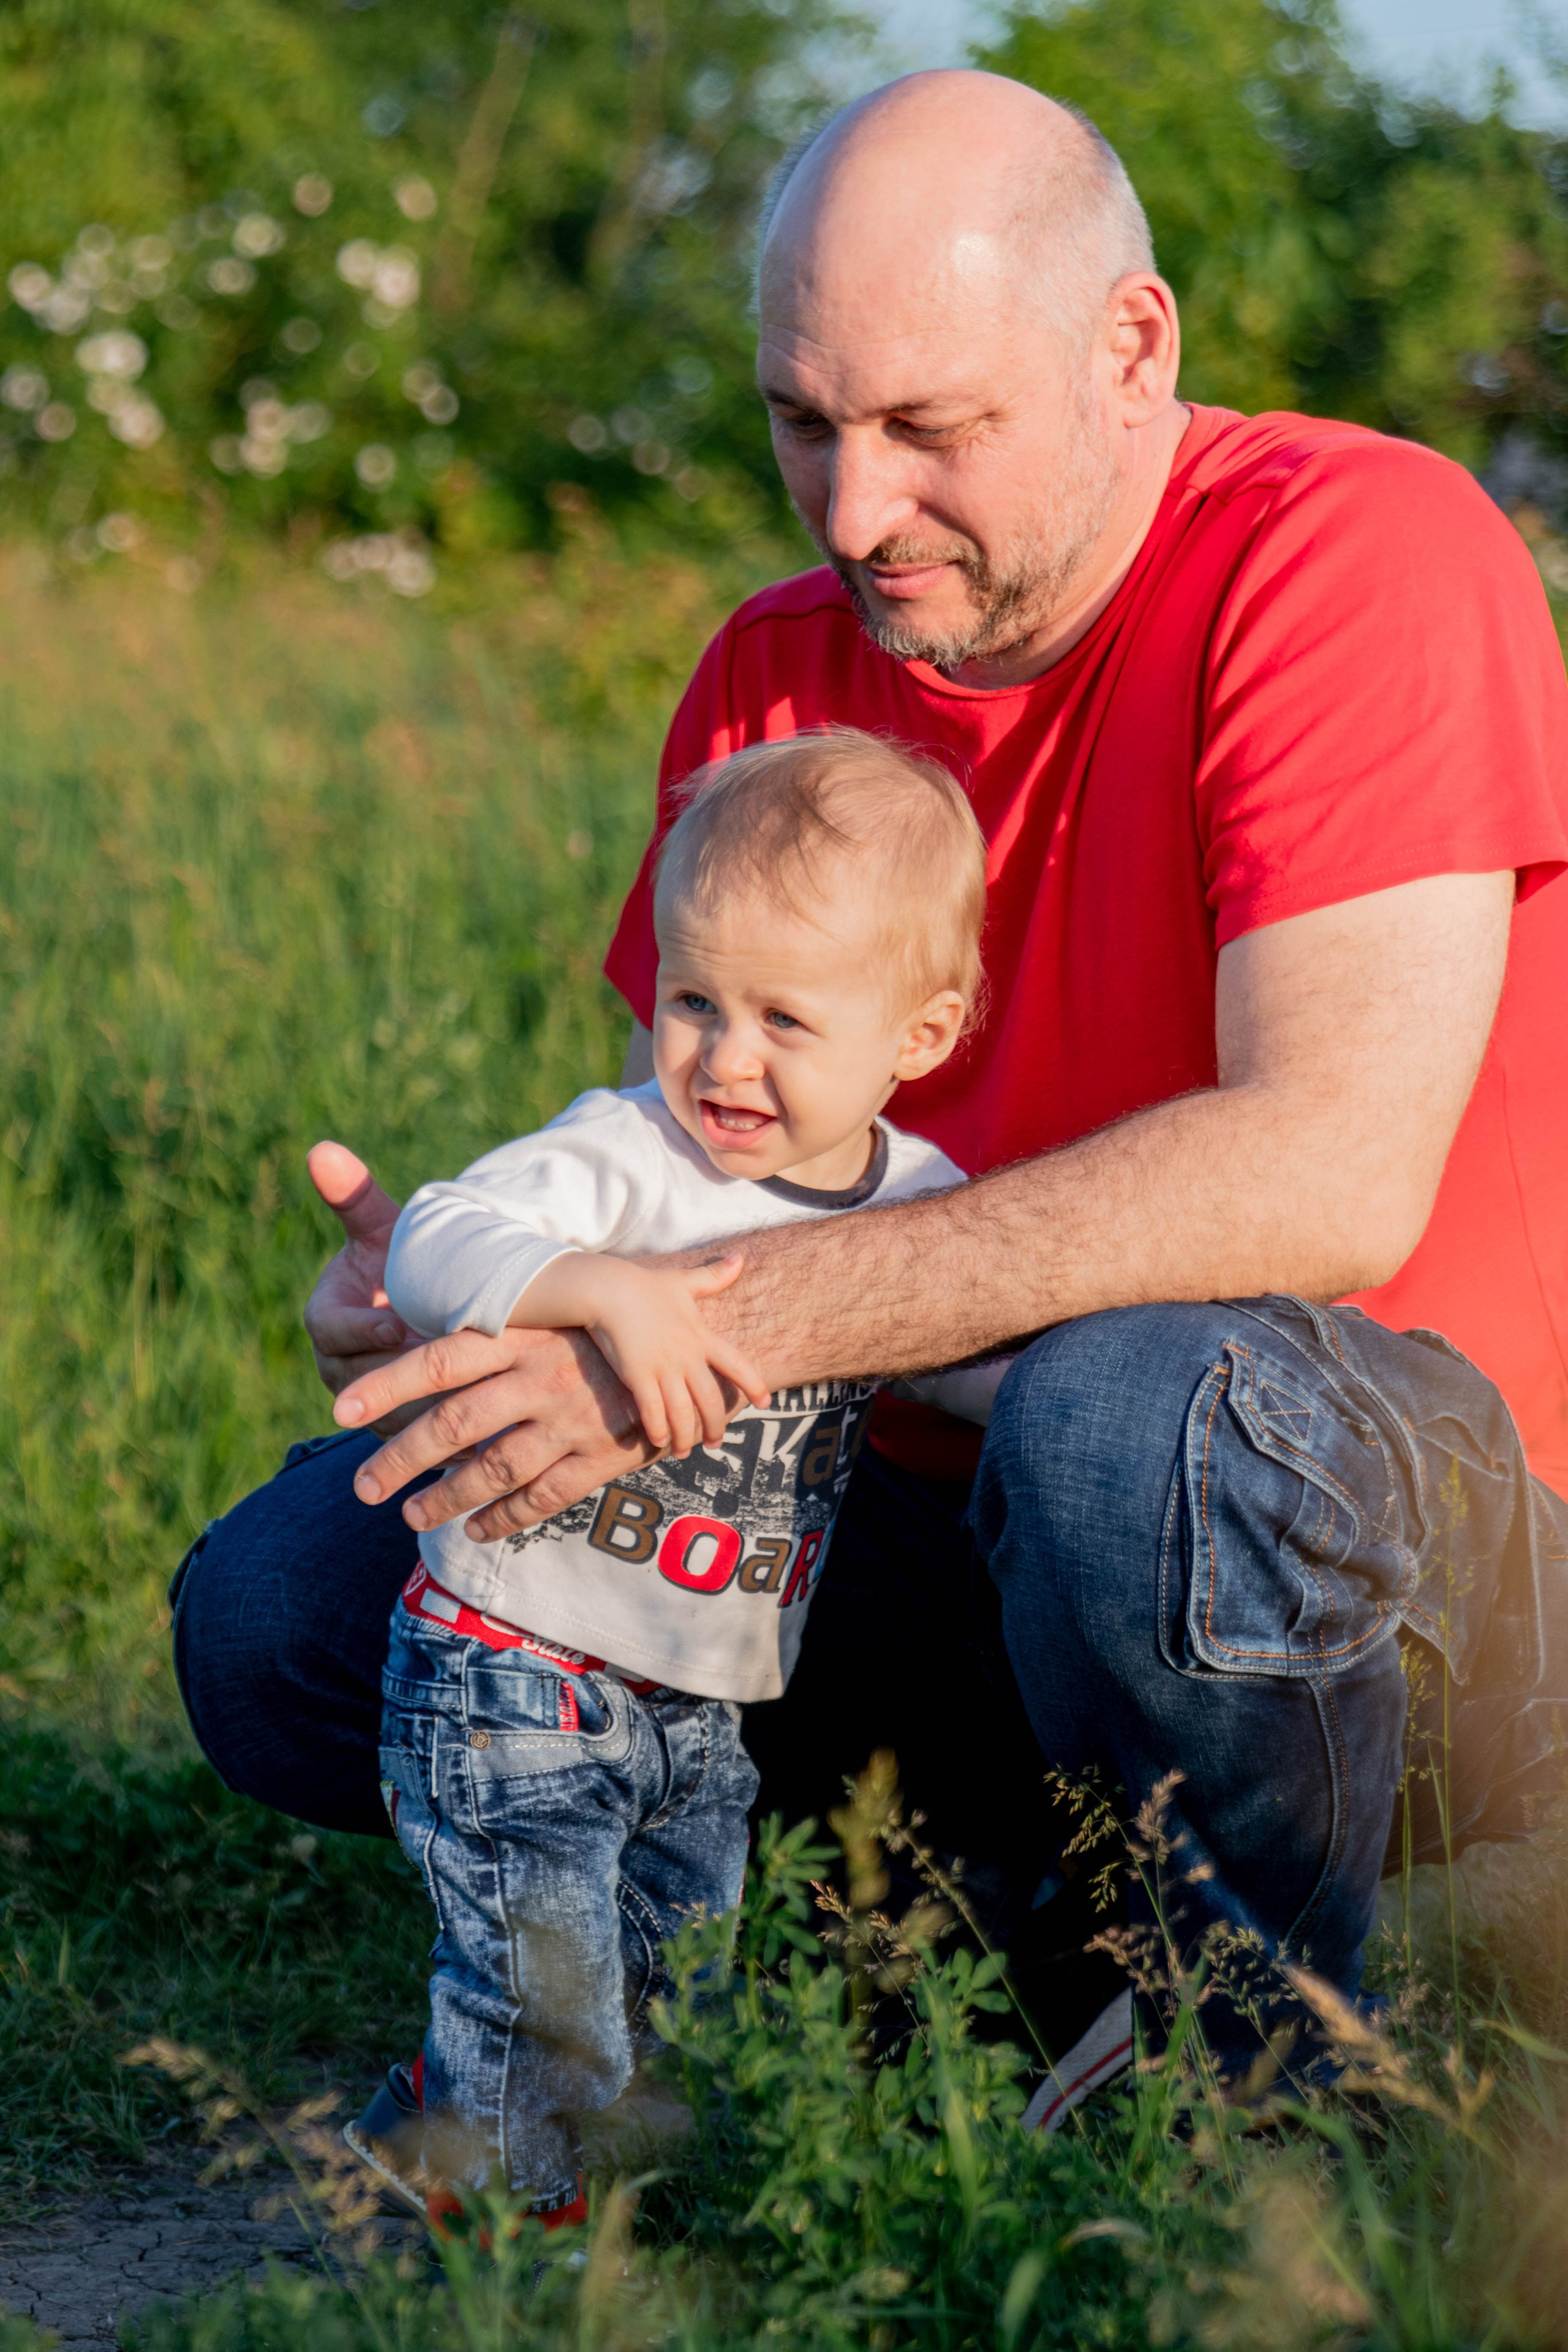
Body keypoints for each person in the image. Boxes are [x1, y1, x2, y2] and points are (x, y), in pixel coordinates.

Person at [172, 69, 1568, 2121]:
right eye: (803, 423)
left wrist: (709, 1327)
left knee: (1125, 1408)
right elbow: (690, 1181)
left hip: (1391, 1578)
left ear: (1132, 346)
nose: (850, 510)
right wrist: (506, 1306)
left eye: (930, 428)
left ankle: (1252, 2052)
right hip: (910, 1523)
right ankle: (932, 1916)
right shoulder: (776, 676)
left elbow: (1328, 1172)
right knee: (289, 1610)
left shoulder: (1352, 553)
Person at [345, 733, 978, 2220]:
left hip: (700, 1693)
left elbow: (982, 1356)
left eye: (782, 1019)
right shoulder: (627, 1156)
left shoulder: (919, 1203)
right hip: (515, 1661)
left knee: (662, 1962)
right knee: (546, 1982)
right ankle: (516, 2240)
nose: (722, 1058)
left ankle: (445, 2122)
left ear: (919, 1034)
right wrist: (595, 1289)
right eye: (693, 1002)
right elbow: (440, 1234)